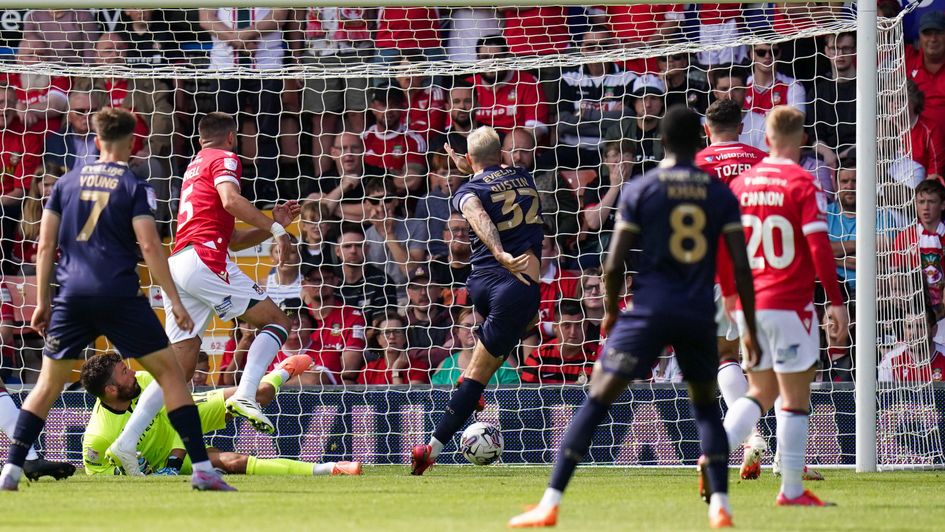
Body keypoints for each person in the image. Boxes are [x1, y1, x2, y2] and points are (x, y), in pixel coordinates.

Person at [508, 106, 758, 529]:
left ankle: (550, 503)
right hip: (697, 312)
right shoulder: (719, 193)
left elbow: (613, 263)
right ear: (698, 141)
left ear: (662, 142)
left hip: (649, 311)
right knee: (705, 408)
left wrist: (608, 310)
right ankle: (720, 507)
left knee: (597, 398)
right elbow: (740, 265)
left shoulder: (642, 187)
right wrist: (749, 325)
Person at [0, 107, 234, 491]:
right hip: (120, 295)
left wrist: (42, 301)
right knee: (171, 376)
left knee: (46, 386)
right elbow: (148, 244)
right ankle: (203, 472)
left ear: (96, 141)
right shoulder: (135, 185)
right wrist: (173, 300)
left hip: (72, 295)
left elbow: (44, 245)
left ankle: (10, 471)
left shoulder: (66, 182)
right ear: (132, 143)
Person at [105, 112, 301, 476]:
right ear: (231, 139)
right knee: (277, 322)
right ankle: (245, 394)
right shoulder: (225, 159)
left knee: (177, 370)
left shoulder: (194, 167)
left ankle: (126, 444)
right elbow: (230, 200)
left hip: (182, 262)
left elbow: (232, 237)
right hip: (205, 261)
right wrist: (277, 230)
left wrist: (275, 221)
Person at [720, 106, 848, 507]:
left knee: (758, 391)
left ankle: (713, 454)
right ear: (801, 139)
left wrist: (729, 294)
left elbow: (726, 246)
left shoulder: (742, 184)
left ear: (767, 139)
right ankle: (791, 490)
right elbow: (818, 246)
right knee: (793, 397)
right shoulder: (801, 181)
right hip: (790, 303)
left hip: (748, 303)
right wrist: (836, 301)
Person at [411, 126, 543, 475]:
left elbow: (477, 205)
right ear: (502, 154)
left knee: (507, 340)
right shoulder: (523, 176)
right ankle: (431, 449)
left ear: (469, 160)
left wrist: (465, 168)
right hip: (516, 283)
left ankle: (471, 391)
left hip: (480, 284)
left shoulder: (468, 189)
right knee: (481, 370)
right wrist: (500, 251)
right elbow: (483, 214)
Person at [80, 352, 361, 477]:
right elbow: (106, 480)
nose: (134, 373)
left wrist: (177, 459)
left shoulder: (143, 382)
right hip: (160, 459)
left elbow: (181, 411)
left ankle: (281, 372)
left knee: (255, 394)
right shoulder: (98, 437)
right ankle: (331, 468)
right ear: (111, 389)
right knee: (232, 461)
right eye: (124, 373)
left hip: (182, 419)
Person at [431, 308, 519, 385]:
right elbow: (436, 401)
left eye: (478, 325)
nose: (472, 330)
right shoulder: (445, 366)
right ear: (457, 331)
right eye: (467, 326)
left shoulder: (503, 362)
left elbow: (511, 400)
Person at [521, 301, 597, 385]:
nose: (573, 332)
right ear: (555, 327)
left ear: (586, 326)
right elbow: (525, 396)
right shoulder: (537, 357)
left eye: (578, 325)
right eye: (567, 326)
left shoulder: (597, 357)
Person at [358, 312, 429, 385]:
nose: (392, 336)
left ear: (405, 338)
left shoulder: (418, 368)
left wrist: (396, 372)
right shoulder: (368, 370)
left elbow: (406, 397)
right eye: (387, 332)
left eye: (397, 332)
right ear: (379, 339)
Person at [745, 44, 807, 117]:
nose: (767, 56)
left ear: (779, 53)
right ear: (751, 54)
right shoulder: (742, 85)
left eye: (773, 52)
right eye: (761, 52)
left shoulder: (793, 86)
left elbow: (795, 124)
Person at [906, 11, 945, 127]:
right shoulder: (907, 59)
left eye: (938, 32)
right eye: (927, 33)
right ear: (919, 36)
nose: (933, 39)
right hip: (914, 141)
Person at [264, 235, 302, 306]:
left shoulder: (308, 286)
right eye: (279, 251)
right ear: (271, 256)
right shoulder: (262, 286)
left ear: (299, 256)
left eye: (291, 252)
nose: (285, 257)